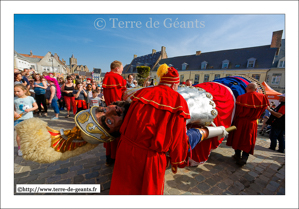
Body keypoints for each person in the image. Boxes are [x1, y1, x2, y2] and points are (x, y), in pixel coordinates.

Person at [109, 64, 213, 195]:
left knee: (122, 187)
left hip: (124, 148)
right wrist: (178, 160)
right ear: (174, 85)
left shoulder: (141, 92)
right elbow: (179, 137)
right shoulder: (178, 101)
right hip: (149, 157)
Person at [226, 82, 269, 166]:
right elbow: (263, 109)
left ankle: (237, 155)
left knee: (238, 138)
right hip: (252, 123)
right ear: (256, 89)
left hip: (240, 121)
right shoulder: (263, 97)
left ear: (246, 88)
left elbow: (236, 111)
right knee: (248, 140)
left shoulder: (241, 97)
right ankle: (244, 157)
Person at [102, 60, 127, 166]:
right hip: (118, 111)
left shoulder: (106, 76)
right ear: (117, 69)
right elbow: (124, 96)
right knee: (117, 136)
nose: (122, 71)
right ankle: (116, 159)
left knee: (109, 134)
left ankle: (109, 159)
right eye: (121, 69)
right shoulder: (118, 78)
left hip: (108, 109)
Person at [14, 84, 38, 156]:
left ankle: (30, 147)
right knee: (19, 134)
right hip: (19, 119)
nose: (16, 93)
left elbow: (36, 106)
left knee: (30, 133)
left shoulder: (30, 98)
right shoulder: (14, 99)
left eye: (18, 91)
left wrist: (30, 109)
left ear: (24, 91)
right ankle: (20, 148)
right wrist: (14, 113)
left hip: (29, 119)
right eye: (15, 91)